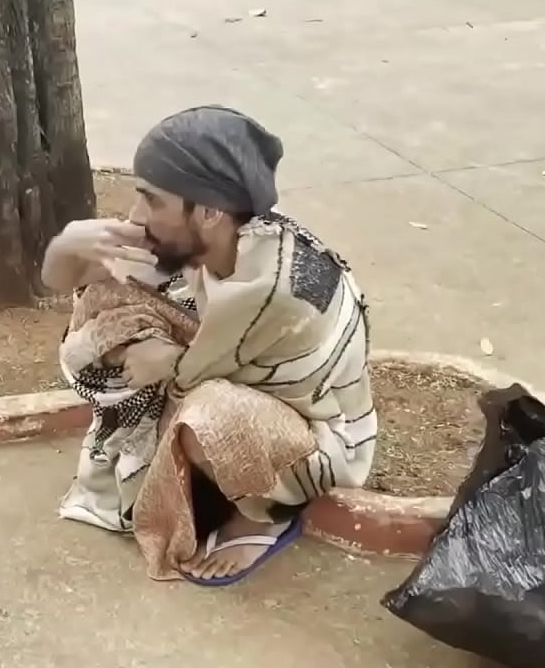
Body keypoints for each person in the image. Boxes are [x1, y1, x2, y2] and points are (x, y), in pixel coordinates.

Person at [43, 105, 377, 585]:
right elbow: (70, 282)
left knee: (206, 416)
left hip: (321, 439)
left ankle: (262, 517)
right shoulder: (212, 236)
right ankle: (191, 467)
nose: (138, 215)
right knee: (107, 295)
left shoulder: (273, 288)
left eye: (152, 200)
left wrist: (164, 356)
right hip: (233, 373)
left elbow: (190, 383)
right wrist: (69, 244)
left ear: (209, 210)